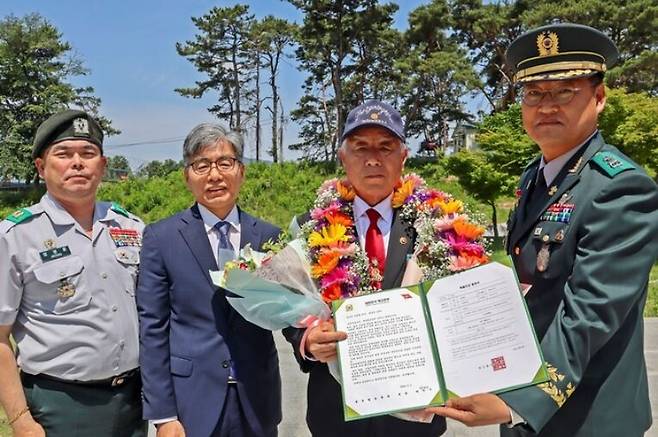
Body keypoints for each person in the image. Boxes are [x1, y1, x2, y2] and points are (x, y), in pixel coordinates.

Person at [426, 23, 658, 436]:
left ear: (599, 97)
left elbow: (589, 315)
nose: (546, 105)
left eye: (564, 91)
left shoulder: (620, 187)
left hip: (589, 417)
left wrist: (515, 402)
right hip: (528, 406)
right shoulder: (537, 176)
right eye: (534, 93)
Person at [283, 100, 447, 437]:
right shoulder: (311, 228)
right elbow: (288, 303)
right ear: (343, 157)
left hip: (416, 414)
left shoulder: (437, 225)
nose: (373, 158)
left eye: (385, 146)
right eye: (360, 147)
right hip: (337, 413)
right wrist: (307, 340)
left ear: (403, 156)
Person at [0, 109, 147, 437]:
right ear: (41, 167)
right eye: (64, 154)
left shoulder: (131, 227)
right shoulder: (15, 236)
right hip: (60, 406)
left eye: (88, 153)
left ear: (103, 165)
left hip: (132, 402)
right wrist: (21, 420)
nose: (77, 162)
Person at [137, 123, 282, 437]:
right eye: (201, 165)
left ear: (241, 171)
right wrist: (163, 415)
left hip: (256, 398)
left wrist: (310, 338)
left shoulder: (269, 237)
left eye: (224, 163)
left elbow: (288, 309)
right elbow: (153, 328)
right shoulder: (161, 239)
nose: (214, 175)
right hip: (192, 402)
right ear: (186, 176)